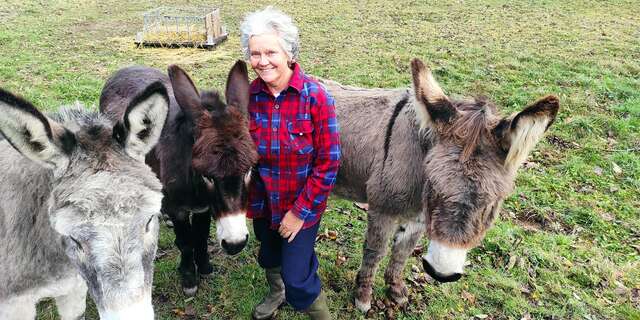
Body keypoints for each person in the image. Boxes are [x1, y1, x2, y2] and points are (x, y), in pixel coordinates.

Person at [240, 6, 341, 320]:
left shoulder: (316, 98)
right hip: (262, 203)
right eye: (255, 53)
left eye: (271, 51)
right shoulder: (247, 98)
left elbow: (329, 163)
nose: (263, 61)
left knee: (297, 277)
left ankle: (317, 311)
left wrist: (299, 214)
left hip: (302, 205)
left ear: (288, 52)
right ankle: (276, 291)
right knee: (269, 256)